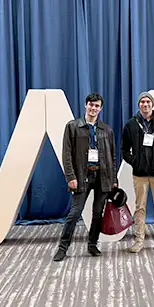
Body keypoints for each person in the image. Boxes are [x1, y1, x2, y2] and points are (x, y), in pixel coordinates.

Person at [54, 92, 118, 262]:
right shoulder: (73, 126)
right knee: (75, 213)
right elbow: (66, 154)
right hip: (82, 176)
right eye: (91, 104)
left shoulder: (107, 130)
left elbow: (112, 156)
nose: (93, 108)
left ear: (101, 108)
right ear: (85, 105)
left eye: (97, 106)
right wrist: (70, 176)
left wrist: (114, 179)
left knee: (98, 213)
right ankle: (62, 248)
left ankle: (92, 245)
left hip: (103, 177)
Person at [121, 92, 154, 253]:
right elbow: (124, 150)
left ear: (152, 104)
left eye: (148, 102)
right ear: (139, 105)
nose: (145, 104)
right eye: (142, 102)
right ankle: (139, 241)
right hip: (140, 175)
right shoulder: (131, 125)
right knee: (140, 208)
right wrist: (136, 162)